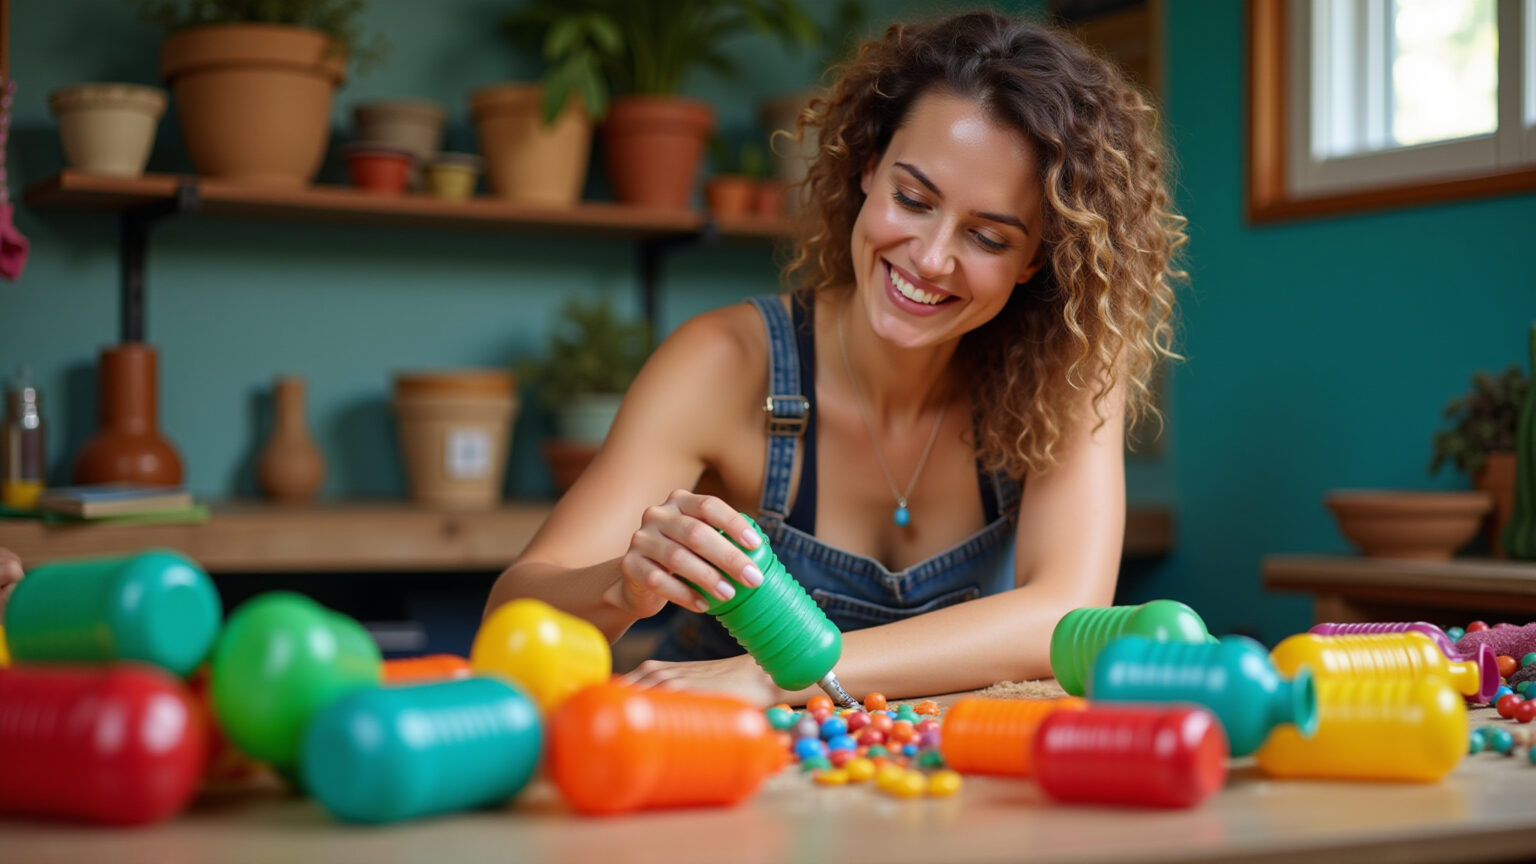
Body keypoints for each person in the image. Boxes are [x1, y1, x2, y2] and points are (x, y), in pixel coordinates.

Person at [485, 9, 1185, 706]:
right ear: (867, 168)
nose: (932, 258)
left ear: (1037, 258)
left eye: (989, 238)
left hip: (949, 784)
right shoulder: (725, 363)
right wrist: (621, 585)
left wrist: (781, 672)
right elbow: (510, 621)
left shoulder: (1068, 366)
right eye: (913, 199)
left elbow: (1061, 615)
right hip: (737, 773)